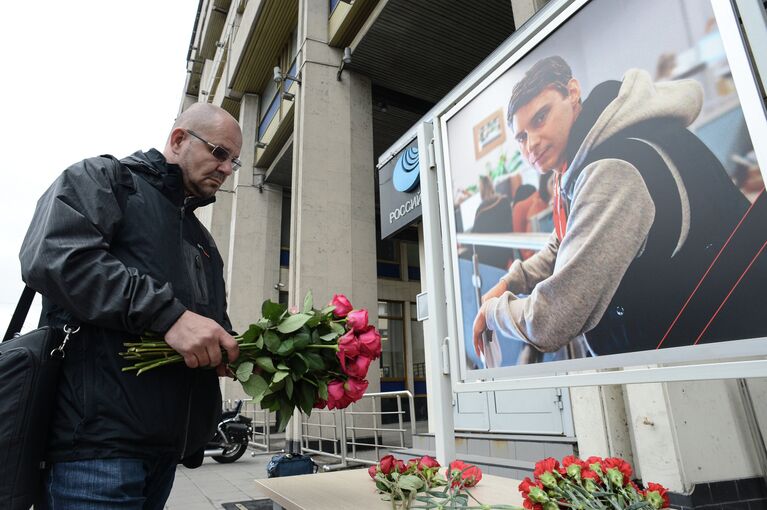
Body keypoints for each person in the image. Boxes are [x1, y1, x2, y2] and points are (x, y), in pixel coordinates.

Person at [20, 102, 243, 508]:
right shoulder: (105, 180)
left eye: (234, 162)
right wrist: (168, 316)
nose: (227, 169)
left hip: (164, 454)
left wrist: (238, 352)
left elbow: (207, 325)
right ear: (179, 140)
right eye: (220, 153)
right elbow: (54, 257)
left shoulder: (202, 240)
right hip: (95, 453)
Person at [473, 55, 766, 361]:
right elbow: (566, 238)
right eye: (521, 136)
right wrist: (511, 280)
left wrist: (494, 312)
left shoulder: (611, 170)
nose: (530, 143)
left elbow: (550, 320)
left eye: (540, 118)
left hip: (717, 355)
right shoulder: (592, 155)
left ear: (572, 93)